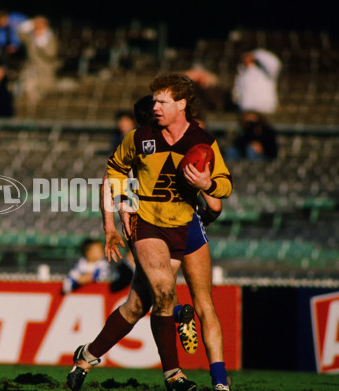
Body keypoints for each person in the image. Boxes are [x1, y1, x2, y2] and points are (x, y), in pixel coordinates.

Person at [67, 73, 233, 391]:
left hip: (187, 225)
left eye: (161, 100)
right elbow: (114, 172)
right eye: (153, 100)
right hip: (147, 224)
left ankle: (220, 382)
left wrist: (208, 186)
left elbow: (222, 189)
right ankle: (174, 375)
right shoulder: (140, 137)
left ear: (181, 104)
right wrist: (110, 224)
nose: (154, 106)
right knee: (166, 295)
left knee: (141, 305)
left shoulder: (203, 141)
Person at [18, 16, 60, 104]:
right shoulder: (31, 37)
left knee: (45, 92)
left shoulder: (50, 38)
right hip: (32, 69)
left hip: (45, 70)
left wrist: (40, 42)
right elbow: (20, 32)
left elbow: (51, 53)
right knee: (28, 89)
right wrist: (31, 22)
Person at [232, 48, 281, 116]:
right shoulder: (241, 74)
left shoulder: (265, 72)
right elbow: (237, 91)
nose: (245, 59)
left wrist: (255, 53)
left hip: (264, 109)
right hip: (248, 109)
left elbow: (275, 63)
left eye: (247, 56)